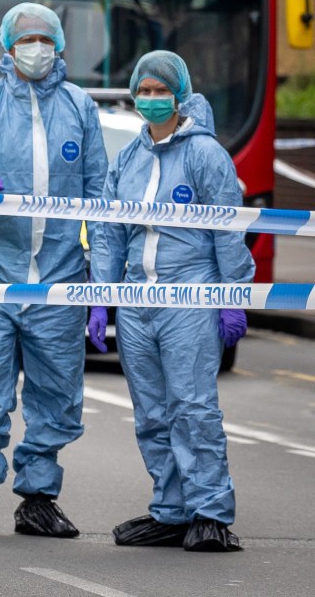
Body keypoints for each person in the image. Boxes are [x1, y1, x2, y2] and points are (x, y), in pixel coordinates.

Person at [0, 1, 108, 538]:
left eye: (45, 39)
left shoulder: (80, 108)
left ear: (59, 45)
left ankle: (39, 497)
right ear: (7, 47)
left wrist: (101, 287)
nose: (36, 48)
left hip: (61, 276)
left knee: (57, 393)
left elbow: (100, 201)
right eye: (26, 40)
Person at [88, 50, 253, 553]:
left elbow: (228, 229)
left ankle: (210, 512)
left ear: (180, 95)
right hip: (138, 301)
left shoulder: (205, 155)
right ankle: (171, 510)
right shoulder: (129, 158)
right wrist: (102, 296)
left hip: (190, 295)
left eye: (162, 91)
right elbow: (109, 232)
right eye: (145, 90)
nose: (153, 99)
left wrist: (232, 295)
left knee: (193, 406)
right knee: (152, 412)